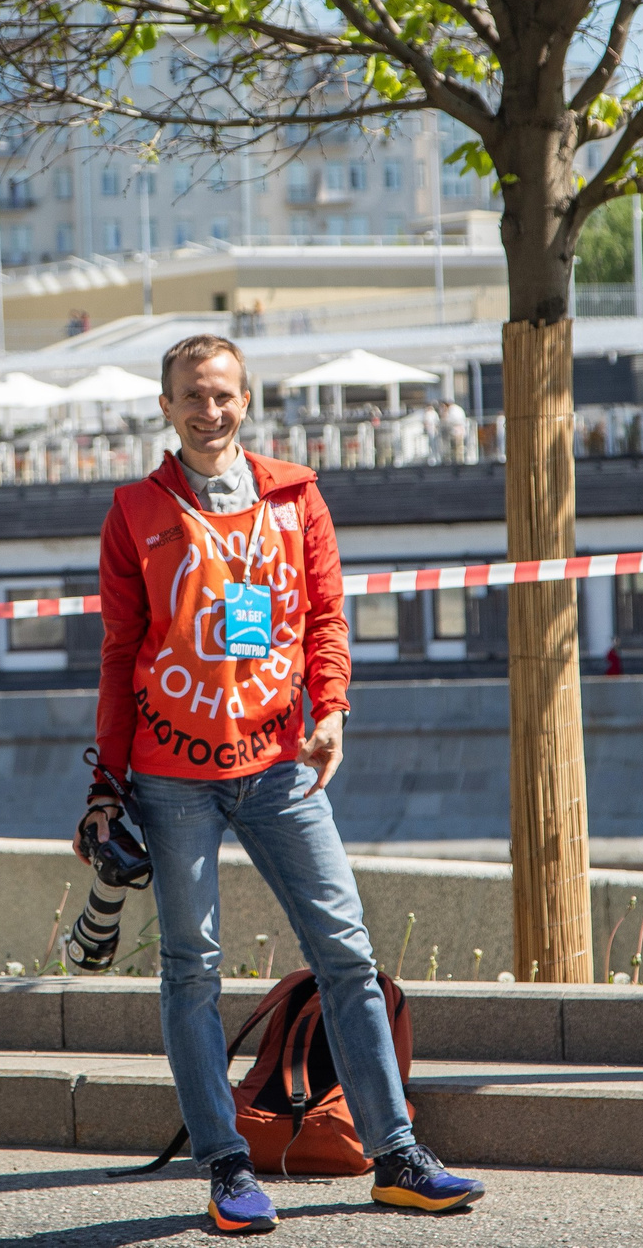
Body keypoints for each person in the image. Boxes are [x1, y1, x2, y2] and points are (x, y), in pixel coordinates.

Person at [86, 333, 485, 1231]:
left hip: (280, 763)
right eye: (193, 394)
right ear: (166, 405)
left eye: (224, 394)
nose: (210, 409)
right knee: (191, 969)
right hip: (171, 773)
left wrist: (332, 705)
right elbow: (119, 656)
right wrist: (107, 782)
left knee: (345, 951)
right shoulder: (134, 512)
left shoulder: (296, 495)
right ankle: (227, 1166)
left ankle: (395, 1154)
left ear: (246, 398)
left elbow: (328, 616)